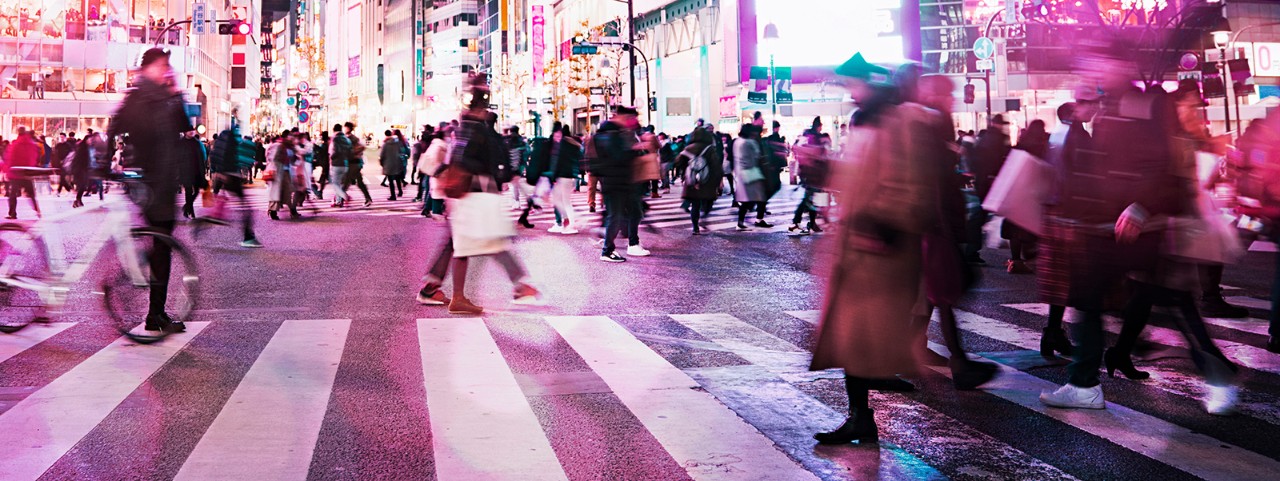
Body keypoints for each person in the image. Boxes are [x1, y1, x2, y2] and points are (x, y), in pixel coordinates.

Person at [1039, 39, 1197, 411]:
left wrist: (1142, 207)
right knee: (1091, 298)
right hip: (1108, 223)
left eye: (1102, 62)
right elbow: (1099, 168)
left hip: (1139, 223)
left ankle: (1210, 362)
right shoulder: (1108, 107)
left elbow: (1165, 164)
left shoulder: (1149, 104)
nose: (1095, 69)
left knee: (1154, 298)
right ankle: (1088, 378)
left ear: (1123, 65)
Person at [811, 52, 937, 445]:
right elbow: (859, 176)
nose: (849, 92)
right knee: (856, 338)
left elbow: (906, 181)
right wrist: (821, 169)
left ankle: (862, 417)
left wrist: (879, 224)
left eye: (851, 84)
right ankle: (861, 414)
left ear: (867, 83)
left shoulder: (896, 121)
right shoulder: (868, 119)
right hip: (862, 246)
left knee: (859, 337)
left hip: (878, 248)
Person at [423, 73, 541, 314]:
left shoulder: (469, 127)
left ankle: (438, 289)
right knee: (485, 243)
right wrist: (498, 174)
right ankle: (514, 287)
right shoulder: (475, 128)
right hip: (476, 195)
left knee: (470, 244)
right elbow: (467, 161)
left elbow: (462, 160)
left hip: (474, 195)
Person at [105, 47, 198, 333]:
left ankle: (154, 311)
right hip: (149, 182)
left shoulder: (166, 98)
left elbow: (186, 128)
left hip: (166, 182)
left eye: (167, 67)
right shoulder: (138, 97)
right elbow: (114, 128)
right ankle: (153, 311)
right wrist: (108, 160)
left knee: (162, 246)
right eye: (161, 66)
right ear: (147, 68)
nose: (165, 71)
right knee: (161, 246)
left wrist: (176, 93)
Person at [1036, 99, 1094, 359]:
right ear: (1072, 114)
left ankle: (1054, 332)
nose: (1091, 110)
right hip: (1069, 213)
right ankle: (1062, 334)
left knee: (1061, 279)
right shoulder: (1074, 137)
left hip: (1057, 211)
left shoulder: (1057, 136)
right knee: (1077, 277)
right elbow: (1075, 176)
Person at [593, 106, 648, 262]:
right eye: (628, 118)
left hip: (618, 180)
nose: (629, 122)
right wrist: (634, 149)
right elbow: (617, 157)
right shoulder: (611, 134)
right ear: (621, 117)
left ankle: (624, 245)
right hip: (616, 181)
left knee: (625, 214)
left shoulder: (609, 133)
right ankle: (607, 250)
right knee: (615, 216)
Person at [202, 125, 261, 247]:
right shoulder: (230, 139)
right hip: (231, 176)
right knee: (246, 207)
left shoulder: (221, 140)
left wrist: (217, 172)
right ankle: (248, 237)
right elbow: (229, 157)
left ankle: (206, 221)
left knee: (242, 206)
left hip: (224, 175)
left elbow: (214, 157)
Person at [1003, 119, 1049, 274]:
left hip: (1017, 190)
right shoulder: (1043, 147)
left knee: (1014, 228)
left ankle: (1015, 260)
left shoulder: (1019, 146)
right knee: (1033, 225)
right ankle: (1033, 256)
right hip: (1033, 192)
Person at [965, 114, 1012, 265]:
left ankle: (972, 249)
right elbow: (1003, 159)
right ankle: (971, 249)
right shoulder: (999, 138)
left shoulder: (983, 137)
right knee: (981, 214)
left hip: (983, 180)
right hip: (992, 181)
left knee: (981, 213)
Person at [526, 126, 581, 233]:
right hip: (567, 176)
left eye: (558, 136)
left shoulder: (562, 147)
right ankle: (569, 223)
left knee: (562, 201)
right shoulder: (571, 145)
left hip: (563, 176)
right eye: (556, 136)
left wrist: (553, 176)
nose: (557, 138)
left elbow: (557, 164)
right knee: (562, 201)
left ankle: (571, 223)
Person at [679, 126, 722, 235]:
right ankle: (704, 216)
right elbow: (716, 165)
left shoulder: (688, 148)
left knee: (695, 205)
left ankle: (695, 228)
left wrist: (684, 175)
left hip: (692, 180)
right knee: (709, 201)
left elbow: (680, 162)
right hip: (707, 180)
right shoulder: (709, 149)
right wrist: (718, 181)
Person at [733, 123, 770, 230]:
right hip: (750, 172)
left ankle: (743, 222)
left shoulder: (737, 141)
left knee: (749, 199)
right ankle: (748, 221)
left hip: (742, 172)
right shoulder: (748, 142)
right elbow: (756, 156)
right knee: (757, 197)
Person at [2, 127, 40, 219]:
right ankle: (37, 210)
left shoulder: (15, 144)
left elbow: (10, 159)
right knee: (31, 194)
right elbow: (35, 157)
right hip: (27, 173)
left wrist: (7, 171)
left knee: (12, 194)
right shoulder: (32, 144)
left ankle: (12, 213)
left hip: (15, 173)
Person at [341, 122, 373, 206]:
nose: (344, 129)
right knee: (359, 182)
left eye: (345, 127)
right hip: (353, 163)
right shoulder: (349, 138)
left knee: (346, 182)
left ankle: (340, 199)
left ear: (349, 128)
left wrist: (351, 153)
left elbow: (360, 147)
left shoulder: (352, 138)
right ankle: (368, 198)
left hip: (353, 163)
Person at [380, 129, 407, 201]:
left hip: (388, 163)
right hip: (397, 162)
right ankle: (400, 191)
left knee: (390, 180)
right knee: (398, 178)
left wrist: (382, 163)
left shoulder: (385, 144)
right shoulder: (398, 143)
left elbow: (382, 155)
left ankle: (393, 195)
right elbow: (402, 152)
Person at [329, 124, 351, 207]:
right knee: (340, 184)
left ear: (334, 130)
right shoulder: (347, 139)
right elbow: (350, 151)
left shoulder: (334, 139)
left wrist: (332, 157)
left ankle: (344, 196)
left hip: (336, 163)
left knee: (335, 184)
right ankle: (338, 201)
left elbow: (332, 151)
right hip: (345, 164)